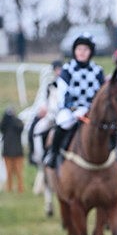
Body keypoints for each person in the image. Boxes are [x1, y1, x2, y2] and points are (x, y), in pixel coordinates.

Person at [44, 34, 105, 169]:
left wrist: (91, 110)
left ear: (90, 52)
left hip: (91, 111)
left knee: (107, 127)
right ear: (74, 51)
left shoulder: (98, 70)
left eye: (85, 49)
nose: (82, 52)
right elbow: (62, 92)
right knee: (62, 124)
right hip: (70, 110)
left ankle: (115, 153)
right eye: (79, 49)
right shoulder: (67, 69)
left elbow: (101, 94)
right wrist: (73, 109)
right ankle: (53, 154)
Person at [1, 107, 25, 192]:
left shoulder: (17, 122)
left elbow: (21, 127)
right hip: (8, 152)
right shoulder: (5, 123)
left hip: (17, 152)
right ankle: (9, 188)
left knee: (19, 172)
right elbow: (2, 127)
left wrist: (13, 119)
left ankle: (20, 188)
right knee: (9, 172)